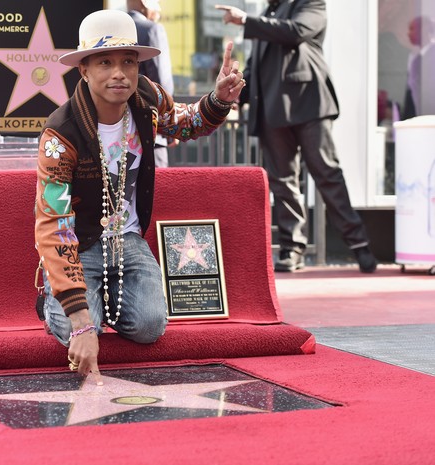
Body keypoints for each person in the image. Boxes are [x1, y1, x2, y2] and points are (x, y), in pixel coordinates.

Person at [35, 9, 245, 384]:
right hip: (80, 243)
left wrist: (218, 99)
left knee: (150, 326)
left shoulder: (146, 97)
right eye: (105, 62)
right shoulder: (60, 134)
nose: (120, 72)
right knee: (78, 331)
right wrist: (82, 323)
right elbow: (54, 223)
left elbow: (185, 121)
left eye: (128, 62)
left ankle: (100, 302)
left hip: (127, 238)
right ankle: (58, 301)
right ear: (84, 69)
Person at [216, 0, 377, 273]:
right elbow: (258, 65)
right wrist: (237, 94)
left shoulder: (311, 3)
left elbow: (296, 31)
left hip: (309, 103)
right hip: (272, 108)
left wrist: (246, 21)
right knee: (282, 181)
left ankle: (359, 245)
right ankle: (293, 249)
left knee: (327, 173)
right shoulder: (268, 13)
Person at [127, 0, 175, 167]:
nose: (159, 10)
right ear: (145, 3)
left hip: (116, 134)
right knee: (159, 189)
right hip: (151, 131)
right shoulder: (152, 29)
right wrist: (170, 130)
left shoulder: (113, 31)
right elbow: (162, 84)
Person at [402, 15, 435, 119]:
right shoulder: (415, 58)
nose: (408, 33)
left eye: (412, 29)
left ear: (423, 29)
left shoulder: (432, 55)